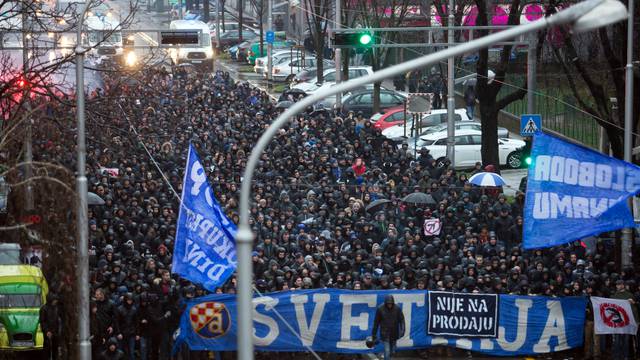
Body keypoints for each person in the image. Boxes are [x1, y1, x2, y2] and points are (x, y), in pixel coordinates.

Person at [372, 295, 405, 360]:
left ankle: (384, 356)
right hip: (385, 333)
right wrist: (374, 334)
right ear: (385, 303)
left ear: (393, 303)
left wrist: (402, 330)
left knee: (393, 351)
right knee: (387, 351)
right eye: (388, 303)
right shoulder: (380, 309)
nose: (389, 305)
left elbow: (402, 320)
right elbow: (376, 322)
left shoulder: (397, 308)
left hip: (394, 332)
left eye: (391, 303)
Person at [40, 293, 63, 360]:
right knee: (47, 349)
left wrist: (58, 330)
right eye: (54, 300)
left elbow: (58, 320)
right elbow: (42, 321)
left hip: (55, 332)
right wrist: (46, 331)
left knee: (55, 349)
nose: (55, 301)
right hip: (48, 332)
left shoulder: (56, 308)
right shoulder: (44, 309)